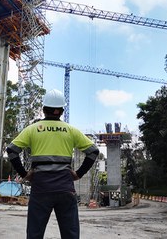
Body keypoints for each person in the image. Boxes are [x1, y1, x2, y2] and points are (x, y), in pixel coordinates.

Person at [6, 89, 99, 239]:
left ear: (43, 109)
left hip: (41, 188)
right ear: (62, 111)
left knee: (34, 234)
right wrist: (78, 174)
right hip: (65, 188)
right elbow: (93, 151)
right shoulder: (71, 130)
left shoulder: (32, 129)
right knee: (71, 234)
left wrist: (25, 174)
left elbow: (11, 150)